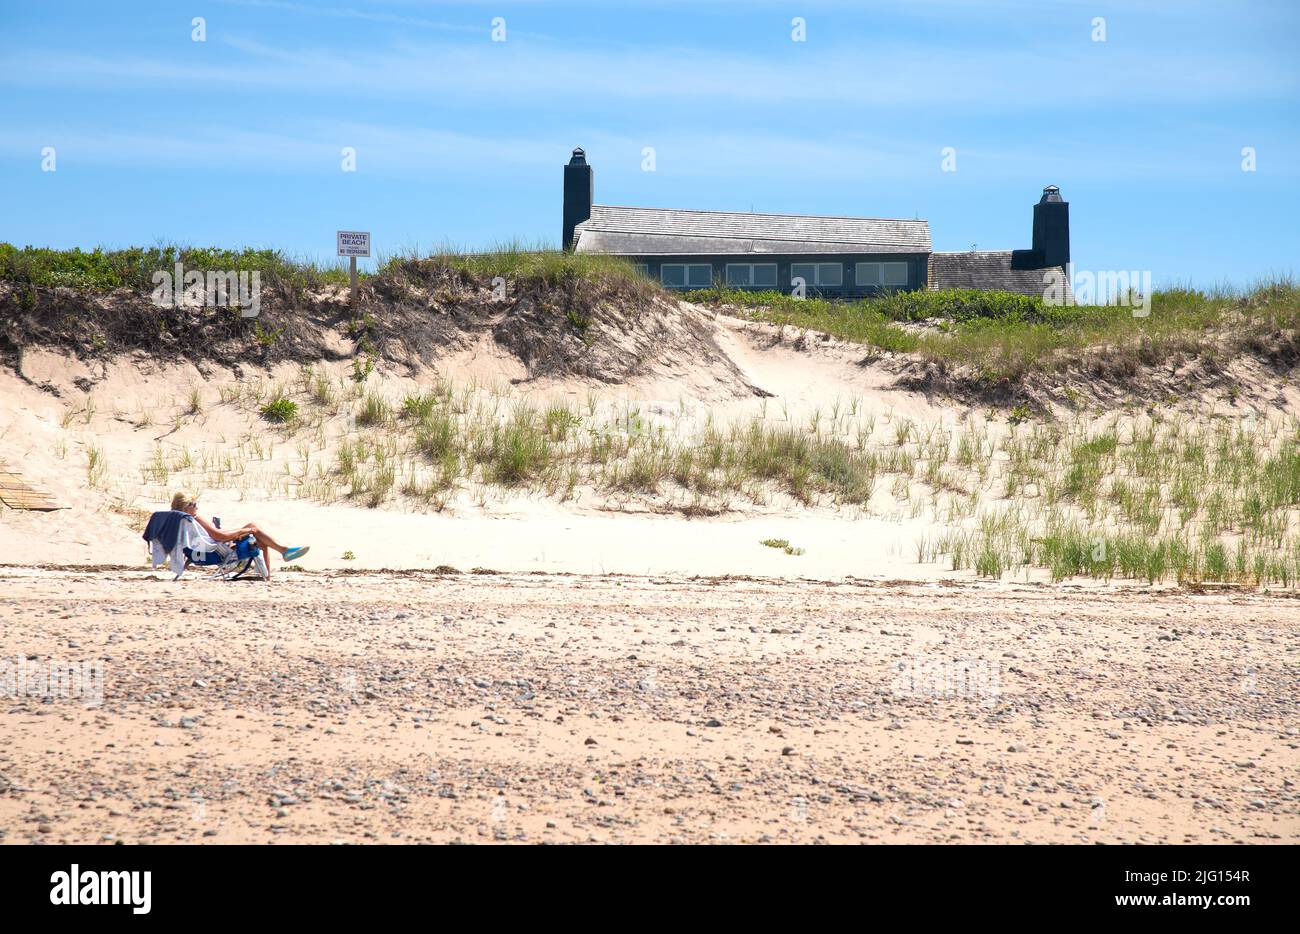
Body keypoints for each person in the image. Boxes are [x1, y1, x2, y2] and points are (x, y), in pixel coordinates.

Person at [169, 492, 309, 578]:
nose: (196, 506)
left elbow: (208, 538)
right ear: (184, 506)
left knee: (256, 534)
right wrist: (244, 531)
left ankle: (271, 571)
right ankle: (283, 552)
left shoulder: (180, 521)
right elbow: (220, 537)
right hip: (218, 551)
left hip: (202, 553)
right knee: (254, 529)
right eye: (193, 504)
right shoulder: (196, 519)